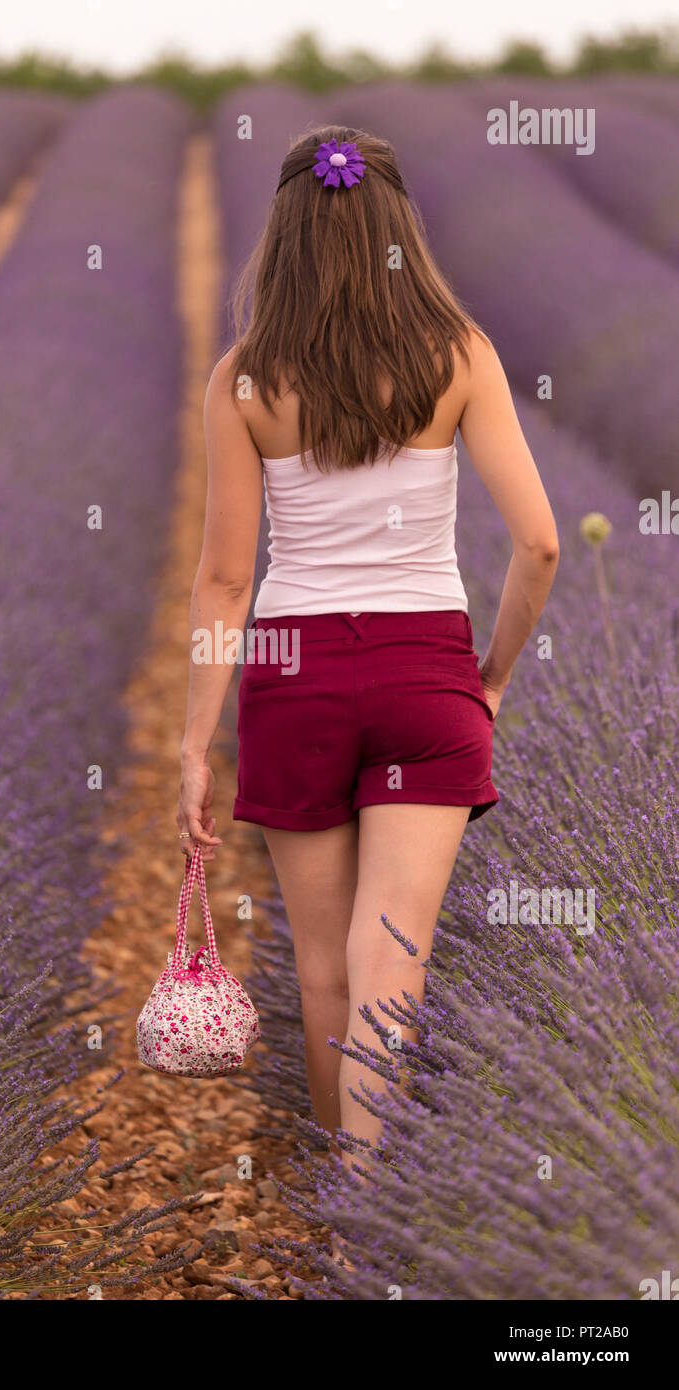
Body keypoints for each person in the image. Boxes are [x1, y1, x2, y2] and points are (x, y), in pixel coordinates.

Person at [177, 127, 559, 1160]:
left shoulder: (244, 379)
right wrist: (486, 680)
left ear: (281, 234)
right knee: (393, 954)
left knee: (322, 968)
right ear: (399, 225)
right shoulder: (458, 351)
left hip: (292, 678)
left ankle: (332, 1215)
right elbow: (538, 543)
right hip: (425, 674)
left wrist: (189, 747)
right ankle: (370, 1215)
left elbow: (222, 578)